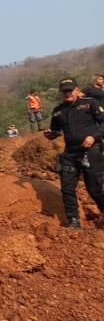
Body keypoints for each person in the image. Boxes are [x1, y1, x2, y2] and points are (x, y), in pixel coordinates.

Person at [44, 77, 104, 229]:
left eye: (70, 90)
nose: (67, 93)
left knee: (94, 189)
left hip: (91, 151)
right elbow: (55, 130)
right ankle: (74, 221)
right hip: (70, 153)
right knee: (67, 188)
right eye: (64, 91)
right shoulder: (58, 111)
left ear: (77, 90)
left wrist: (94, 137)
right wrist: (50, 134)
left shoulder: (90, 103)